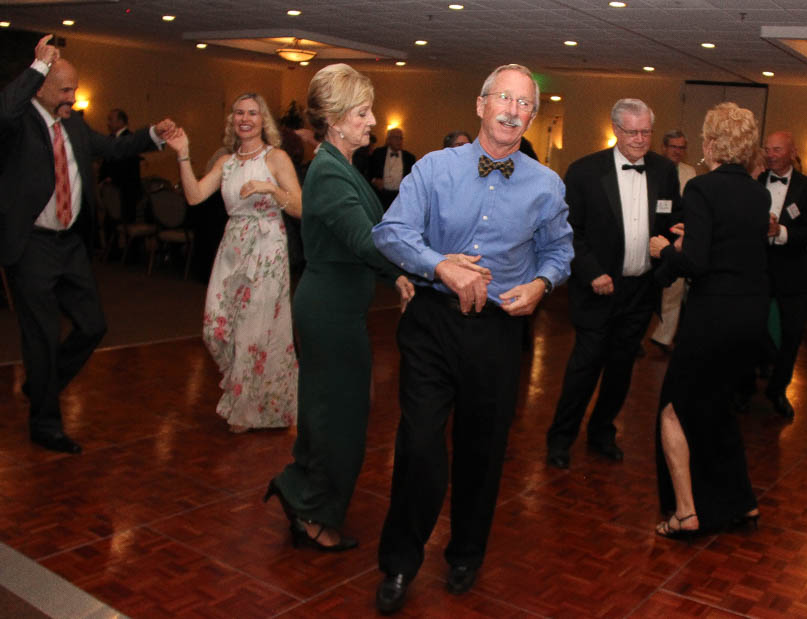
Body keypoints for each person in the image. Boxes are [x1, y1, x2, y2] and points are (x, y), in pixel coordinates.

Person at [371, 63, 573, 614]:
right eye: (502, 98)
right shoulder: (434, 169)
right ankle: (399, 563)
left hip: (499, 330)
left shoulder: (547, 185)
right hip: (433, 324)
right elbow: (390, 232)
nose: (512, 110)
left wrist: (541, 282)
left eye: (524, 104)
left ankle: (465, 554)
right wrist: (440, 267)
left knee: (483, 452)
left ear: (532, 115)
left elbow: (560, 253)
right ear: (481, 104)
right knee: (418, 443)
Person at [265, 64, 414, 552]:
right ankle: (311, 514)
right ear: (335, 118)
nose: (372, 122)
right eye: (363, 113)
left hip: (338, 307)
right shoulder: (329, 173)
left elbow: (366, 243)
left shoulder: (339, 165)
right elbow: (366, 240)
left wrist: (397, 274)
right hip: (329, 310)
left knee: (334, 413)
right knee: (337, 419)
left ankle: (303, 496)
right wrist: (415, 267)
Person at [0, 35, 174, 454]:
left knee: (93, 325)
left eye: (75, 89)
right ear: (40, 85)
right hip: (32, 246)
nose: (73, 98)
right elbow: (5, 109)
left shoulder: (75, 124)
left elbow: (114, 147)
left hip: (70, 246)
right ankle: (45, 423)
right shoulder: (18, 123)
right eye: (64, 89)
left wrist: (152, 134)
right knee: (40, 335)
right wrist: (37, 65)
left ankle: (43, 384)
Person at [648, 102, 769, 538]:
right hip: (749, 318)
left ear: (713, 142)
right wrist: (692, 240)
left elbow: (697, 263)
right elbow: (731, 249)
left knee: (672, 410)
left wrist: (667, 251)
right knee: (717, 408)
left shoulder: (701, 189)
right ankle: (741, 503)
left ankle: (686, 512)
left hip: (713, 317)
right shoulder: (759, 193)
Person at [545, 98, 681, 469]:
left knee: (621, 369)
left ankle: (602, 433)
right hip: (597, 290)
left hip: (640, 290)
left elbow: (671, 221)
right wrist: (592, 272)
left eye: (646, 132)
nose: (640, 139)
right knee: (584, 367)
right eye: (632, 132)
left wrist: (673, 241)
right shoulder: (584, 171)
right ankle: (560, 439)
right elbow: (569, 231)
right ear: (616, 131)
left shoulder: (665, 170)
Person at [166, 93, 302, 433]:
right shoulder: (226, 163)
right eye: (239, 112)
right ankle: (246, 390)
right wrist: (183, 155)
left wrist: (270, 191)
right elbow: (196, 196)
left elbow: (301, 207)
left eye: (253, 113)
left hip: (267, 247)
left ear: (263, 120)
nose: (245, 118)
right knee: (217, 326)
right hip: (233, 247)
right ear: (232, 120)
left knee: (254, 331)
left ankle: (248, 410)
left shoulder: (277, 158)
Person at [757, 130, 807, 421]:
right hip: (757, 268)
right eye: (767, 149)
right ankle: (745, 386)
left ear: (792, 152)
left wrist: (780, 232)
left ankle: (778, 389)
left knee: (792, 333)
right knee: (749, 328)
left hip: (793, 272)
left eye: (777, 149)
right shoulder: (755, 181)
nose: (770, 154)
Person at [649, 129, 697, 354]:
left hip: (677, 237)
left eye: (681, 148)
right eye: (674, 147)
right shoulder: (652, 168)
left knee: (674, 289)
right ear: (664, 148)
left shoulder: (690, 173)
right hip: (653, 235)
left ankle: (663, 337)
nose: (677, 151)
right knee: (647, 288)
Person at [98, 107, 143, 225]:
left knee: (127, 221)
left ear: (121, 122)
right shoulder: (110, 139)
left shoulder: (130, 139)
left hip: (126, 190)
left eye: (110, 119)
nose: (108, 123)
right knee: (110, 223)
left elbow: (129, 166)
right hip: (112, 191)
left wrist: (111, 178)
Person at [367, 127, 415, 209]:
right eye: (396, 138)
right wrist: (374, 180)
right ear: (388, 140)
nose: (399, 141)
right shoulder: (378, 153)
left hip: (400, 197)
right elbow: (368, 171)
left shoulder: (409, 157)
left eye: (401, 138)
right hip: (381, 196)